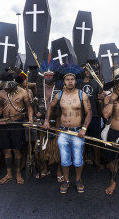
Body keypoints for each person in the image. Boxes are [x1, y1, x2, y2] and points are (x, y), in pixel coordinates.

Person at [43, 63, 92, 194]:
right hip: (63, 132)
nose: (70, 82)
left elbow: (89, 113)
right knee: (64, 159)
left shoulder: (82, 95)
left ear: (76, 81)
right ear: (64, 81)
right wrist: (46, 120)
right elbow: (50, 107)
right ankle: (66, 180)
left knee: (78, 160)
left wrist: (84, 129)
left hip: (77, 132)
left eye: (72, 79)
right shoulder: (59, 95)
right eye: (67, 79)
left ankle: (78, 179)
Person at [0, 72, 33, 185]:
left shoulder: (23, 92)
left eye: (8, 87)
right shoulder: (2, 93)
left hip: (17, 124)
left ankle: (18, 173)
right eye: (4, 87)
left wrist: (30, 121)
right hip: (5, 124)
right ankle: (9, 173)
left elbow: (29, 108)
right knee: (7, 149)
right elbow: (0, 108)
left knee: (16, 149)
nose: (6, 89)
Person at [35, 58, 63, 180]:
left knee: (57, 147)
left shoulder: (60, 89)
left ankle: (59, 171)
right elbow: (38, 104)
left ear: (54, 76)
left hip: (57, 120)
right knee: (43, 146)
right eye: (46, 75)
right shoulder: (40, 88)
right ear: (43, 76)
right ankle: (45, 169)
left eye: (51, 75)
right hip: (42, 122)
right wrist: (38, 113)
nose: (49, 77)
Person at [78, 66, 101, 168]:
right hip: (81, 116)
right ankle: (82, 161)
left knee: (95, 139)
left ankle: (96, 160)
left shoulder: (95, 83)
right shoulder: (78, 84)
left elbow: (99, 96)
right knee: (82, 140)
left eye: (89, 70)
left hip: (94, 114)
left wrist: (102, 96)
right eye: (85, 70)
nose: (87, 72)